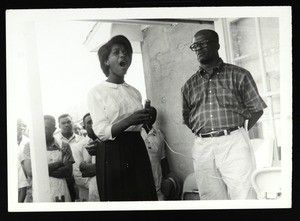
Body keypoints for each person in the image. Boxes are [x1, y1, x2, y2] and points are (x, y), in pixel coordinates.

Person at [181, 29, 267, 200]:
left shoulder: (239, 75)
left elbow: (256, 110)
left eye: (203, 43)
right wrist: (208, 135)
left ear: (217, 45)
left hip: (233, 143)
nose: (198, 48)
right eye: (194, 46)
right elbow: (187, 119)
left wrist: (236, 132)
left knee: (244, 195)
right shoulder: (189, 85)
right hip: (203, 147)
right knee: (211, 199)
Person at [87, 35, 157, 201]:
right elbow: (101, 132)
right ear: (106, 61)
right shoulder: (97, 91)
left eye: (126, 52)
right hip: (113, 151)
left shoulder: (134, 92)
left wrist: (143, 118)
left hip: (136, 147)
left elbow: (137, 124)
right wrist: (129, 120)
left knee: (143, 197)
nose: (122, 55)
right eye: (116, 52)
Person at [22, 115, 75, 202]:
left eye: (46, 128)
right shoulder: (30, 146)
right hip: (39, 194)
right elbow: (30, 171)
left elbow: (68, 171)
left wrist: (40, 171)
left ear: (54, 129)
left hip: (60, 193)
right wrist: (57, 164)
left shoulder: (64, 146)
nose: (42, 131)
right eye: (40, 128)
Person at [141, 107, 171, 200]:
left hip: (157, 182)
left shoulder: (159, 135)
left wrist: (168, 178)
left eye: (153, 116)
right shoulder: (135, 133)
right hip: (141, 182)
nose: (150, 117)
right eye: (148, 115)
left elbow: (163, 158)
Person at [55, 114, 83, 201]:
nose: (66, 125)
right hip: (65, 181)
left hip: (82, 180)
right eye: (63, 123)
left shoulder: (82, 140)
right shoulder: (56, 142)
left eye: (68, 122)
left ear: (73, 123)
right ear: (59, 126)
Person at [78, 113, 100, 201]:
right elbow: (83, 173)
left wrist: (85, 166)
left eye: (95, 121)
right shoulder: (82, 145)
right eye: (89, 122)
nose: (93, 125)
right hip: (93, 190)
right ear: (84, 127)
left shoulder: (110, 140)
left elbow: (94, 169)